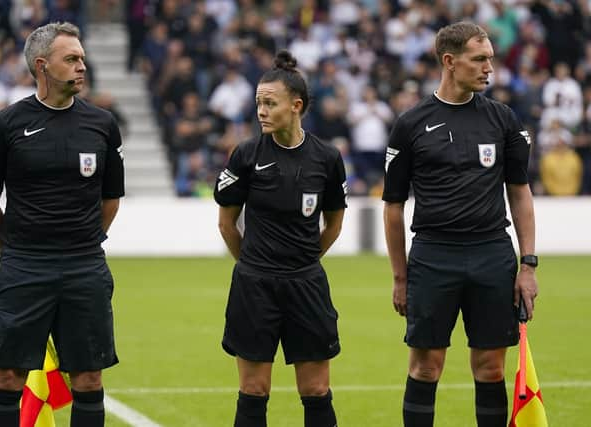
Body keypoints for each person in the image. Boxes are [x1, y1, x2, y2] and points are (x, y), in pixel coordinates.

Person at [382, 22, 539, 427]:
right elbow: (393, 207)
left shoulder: (503, 120)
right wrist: (400, 277)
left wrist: (529, 265)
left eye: (491, 59)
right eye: (480, 59)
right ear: (449, 62)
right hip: (434, 256)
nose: (490, 68)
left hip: (492, 254)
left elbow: (519, 193)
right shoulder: (411, 123)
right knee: (426, 367)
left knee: (491, 369)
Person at [0, 22, 125, 427]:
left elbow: (111, 199)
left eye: (82, 59)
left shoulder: (103, 125)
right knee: (8, 376)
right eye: (71, 59)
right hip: (25, 267)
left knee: (89, 379)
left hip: (84, 267)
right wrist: (13, 252)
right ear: (42, 65)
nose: (81, 67)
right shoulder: (6, 125)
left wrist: (88, 241)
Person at [214, 49, 347, 427]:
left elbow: (333, 223)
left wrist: (304, 260)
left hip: (307, 284)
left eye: (270, 103)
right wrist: (255, 264)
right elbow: (227, 225)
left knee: (317, 390)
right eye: (258, 103)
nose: (261, 111)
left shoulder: (326, 158)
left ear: (296, 106)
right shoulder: (245, 155)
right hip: (254, 285)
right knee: (254, 391)